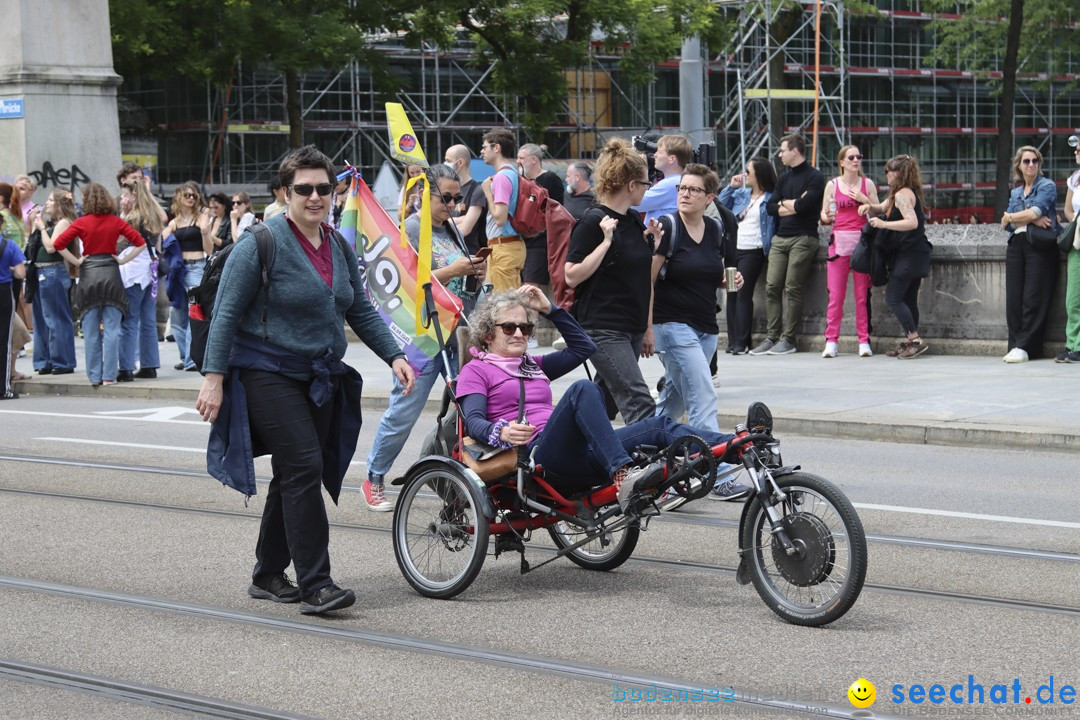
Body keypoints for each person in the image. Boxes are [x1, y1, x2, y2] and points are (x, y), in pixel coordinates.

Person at [195, 144, 416, 615]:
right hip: (266, 372)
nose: (315, 197)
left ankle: (267, 573)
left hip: (318, 375)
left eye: (323, 188)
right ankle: (317, 584)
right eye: (304, 189)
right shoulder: (261, 242)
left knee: (294, 473)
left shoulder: (337, 244)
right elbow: (226, 316)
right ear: (284, 192)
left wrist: (394, 355)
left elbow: (357, 307)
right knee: (303, 467)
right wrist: (212, 379)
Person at [456, 287, 750, 509]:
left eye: (525, 327)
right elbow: (474, 421)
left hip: (587, 452)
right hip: (539, 456)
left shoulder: (534, 365)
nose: (519, 333)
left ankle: (742, 447)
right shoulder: (476, 371)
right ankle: (624, 474)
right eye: (509, 327)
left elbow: (584, 347)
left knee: (660, 425)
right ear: (486, 334)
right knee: (582, 389)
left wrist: (551, 309)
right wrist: (503, 431)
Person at [364, 164, 487, 511]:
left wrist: (475, 272)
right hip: (422, 336)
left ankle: (454, 474)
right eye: (445, 197)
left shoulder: (452, 230)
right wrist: (455, 270)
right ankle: (374, 475)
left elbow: (459, 283)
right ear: (422, 194)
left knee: (468, 408)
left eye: (457, 197)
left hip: (457, 332)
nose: (452, 204)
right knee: (404, 410)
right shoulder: (412, 228)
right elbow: (408, 283)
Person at [565, 138, 662, 425]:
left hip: (630, 327)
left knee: (604, 403)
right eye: (646, 183)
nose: (649, 188)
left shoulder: (633, 220)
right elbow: (571, 274)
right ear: (631, 185)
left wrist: (647, 328)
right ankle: (650, 463)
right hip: (603, 326)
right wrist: (605, 242)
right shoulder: (593, 221)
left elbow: (644, 279)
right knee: (638, 399)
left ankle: (570, 450)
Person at [51, 183, 147, 385]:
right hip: (111, 273)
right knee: (112, 330)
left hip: (89, 275)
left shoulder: (81, 222)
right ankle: (109, 376)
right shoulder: (116, 221)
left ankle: (94, 376)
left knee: (91, 329)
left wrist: (76, 262)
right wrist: (122, 260)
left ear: (86, 201)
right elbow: (141, 243)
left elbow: (58, 244)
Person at [751, 133, 825, 356]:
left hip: (803, 237)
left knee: (792, 287)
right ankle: (772, 337)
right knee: (772, 286)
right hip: (781, 238)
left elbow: (805, 206)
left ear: (795, 151)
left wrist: (789, 204)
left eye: (782, 150)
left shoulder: (815, 177)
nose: (780, 154)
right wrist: (790, 203)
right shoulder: (784, 178)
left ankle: (788, 339)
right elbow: (771, 207)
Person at [859, 155, 933, 359]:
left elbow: (912, 222)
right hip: (913, 253)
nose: (886, 175)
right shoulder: (899, 193)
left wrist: (884, 225)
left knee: (893, 297)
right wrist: (868, 204)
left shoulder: (902, 195)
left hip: (909, 255)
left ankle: (915, 339)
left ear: (898, 173)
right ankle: (910, 341)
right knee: (908, 299)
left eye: (888, 171)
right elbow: (883, 208)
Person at [999, 146, 1060, 363]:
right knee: (1014, 299)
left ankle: (1025, 346)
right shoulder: (1016, 192)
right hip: (1016, 244)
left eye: (1035, 161)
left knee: (1034, 297)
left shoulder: (1047, 185)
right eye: (1026, 161)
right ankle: (1016, 344)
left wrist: (1016, 216)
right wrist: (1029, 217)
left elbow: (1035, 211)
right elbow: (1005, 225)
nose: (1031, 165)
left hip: (1039, 246)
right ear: (1019, 165)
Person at [819, 145, 879, 358]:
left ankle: (863, 340)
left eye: (859, 157)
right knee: (836, 296)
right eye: (851, 157)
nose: (856, 160)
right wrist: (827, 216)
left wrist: (866, 202)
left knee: (862, 296)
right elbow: (824, 216)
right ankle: (831, 340)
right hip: (839, 245)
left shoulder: (867, 184)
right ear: (842, 162)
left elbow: (877, 211)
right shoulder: (832, 185)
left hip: (861, 245)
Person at [717, 157, 777, 355]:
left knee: (743, 292)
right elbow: (720, 205)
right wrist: (731, 187)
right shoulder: (742, 193)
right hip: (734, 248)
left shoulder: (770, 197)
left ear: (759, 174)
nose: (745, 175)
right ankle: (733, 342)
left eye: (749, 172)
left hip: (754, 249)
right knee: (731, 293)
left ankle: (742, 342)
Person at [162, 182, 213, 371]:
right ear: (179, 198)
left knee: (195, 312)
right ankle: (185, 357)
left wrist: (205, 230)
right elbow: (161, 241)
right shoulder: (174, 222)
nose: (191, 198)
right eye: (186, 195)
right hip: (178, 270)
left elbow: (209, 249)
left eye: (193, 195)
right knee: (176, 315)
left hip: (197, 267)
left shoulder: (201, 218)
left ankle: (193, 359)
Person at [28, 191, 79, 376]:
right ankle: (44, 361)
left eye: (50, 200)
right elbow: (33, 247)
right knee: (41, 320)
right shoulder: (53, 223)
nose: (47, 203)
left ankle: (63, 361)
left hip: (53, 271)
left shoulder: (65, 222)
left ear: (59, 204)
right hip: (40, 271)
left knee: (55, 317)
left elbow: (51, 246)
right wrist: (36, 225)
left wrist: (42, 228)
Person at [117, 181, 163, 381]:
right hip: (150, 270)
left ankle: (125, 368)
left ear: (133, 197)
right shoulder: (153, 215)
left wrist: (121, 216)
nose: (121, 199)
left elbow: (118, 242)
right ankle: (150, 365)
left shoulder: (132, 217)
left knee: (129, 320)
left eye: (124, 195)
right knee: (148, 321)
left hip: (133, 270)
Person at [481, 128, 526, 292]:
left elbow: (500, 218)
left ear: (496, 148)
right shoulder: (514, 172)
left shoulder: (501, 177)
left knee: (503, 305)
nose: (482, 151)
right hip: (513, 245)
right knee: (513, 300)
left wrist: (487, 191)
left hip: (503, 246)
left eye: (485, 147)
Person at [516, 143, 564, 289]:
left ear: (534, 159)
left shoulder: (549, 179)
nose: (518, 161)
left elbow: (555, 212)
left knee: (530, 288)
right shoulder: (523, 181)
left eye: (521, 158)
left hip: (540, 243)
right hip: (524, 241)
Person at [632, 135, 692, 223]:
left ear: (672, 159)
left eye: (659, 152)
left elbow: (633, 203)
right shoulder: (679, 180)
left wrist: (640, 168)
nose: (654, 155)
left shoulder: (671, 184)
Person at [1, 210, 28, 399]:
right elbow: (20, 273)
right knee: (4, 340)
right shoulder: (8, 245)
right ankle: (3, 388)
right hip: (3, 291)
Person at [1059, 141, 1080, 364]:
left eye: (1079, 149)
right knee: (1072, 298)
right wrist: (1076, 221)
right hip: (1077, 240)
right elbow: (1067, 209)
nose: (1076, 152)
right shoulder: (1075, 178)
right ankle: (1071, 342)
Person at [445, 144, 487, 256]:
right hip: (448, 253)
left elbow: (465, 229)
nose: (445, 164)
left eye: (448, 160)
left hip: (469, 254)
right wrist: (460, 219)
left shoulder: (477, 191)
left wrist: (446, 223)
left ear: (460, 163)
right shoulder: (446, 189)